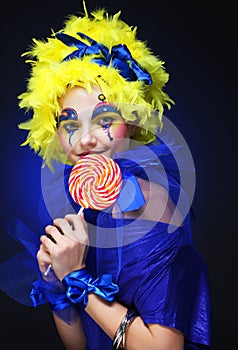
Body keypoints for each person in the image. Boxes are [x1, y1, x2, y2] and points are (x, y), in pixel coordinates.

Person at [0, 3, 211, 349]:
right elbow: (82, 345)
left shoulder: (151, 205)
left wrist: (75, 277)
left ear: (130, 122)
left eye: (103, 119)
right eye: (70, 123)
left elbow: (163, 347)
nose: (85, 139)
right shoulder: (80, 202)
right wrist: (58, 288)